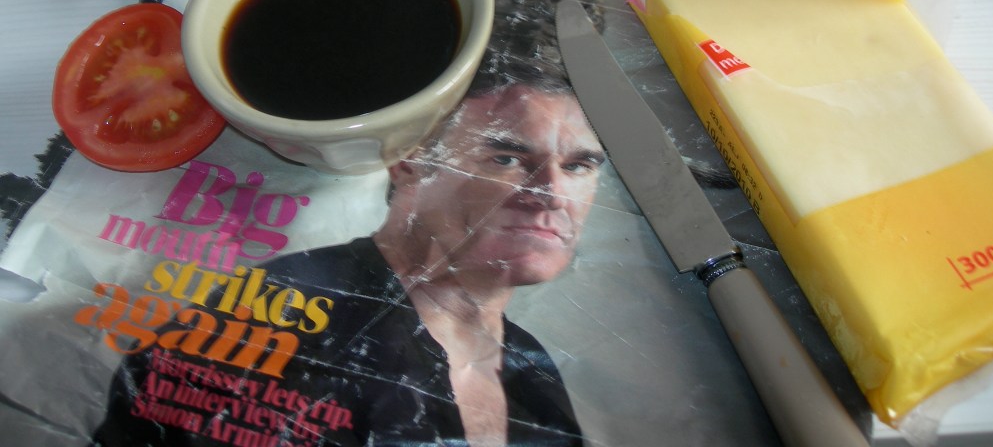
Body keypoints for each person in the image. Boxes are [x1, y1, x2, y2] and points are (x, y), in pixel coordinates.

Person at [91, 62, 606, 447]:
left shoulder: (531, 369)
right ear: (409, 158)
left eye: (579, 167)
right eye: (508, 158)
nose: (553, 194)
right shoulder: (285, 311)